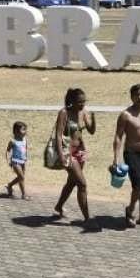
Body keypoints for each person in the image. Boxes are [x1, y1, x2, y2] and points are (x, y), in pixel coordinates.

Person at [112, 84, 140, 228]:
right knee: (139, 184)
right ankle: (130, 209)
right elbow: (118, 137)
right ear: (131, 97)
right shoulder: (126, 115)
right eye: (136, 95)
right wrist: (115, 157)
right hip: (132, 154)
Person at [53, 87, 98, 230]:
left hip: (80, 152)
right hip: (68, 152)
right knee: (82, 184)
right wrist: (61, 155)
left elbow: (91, 131)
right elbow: (58, 135)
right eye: (79, 102)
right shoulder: (64, 113)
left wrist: (93, 119)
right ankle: (87, 218)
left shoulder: (83, 112)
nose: (82, 105)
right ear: (72, 101)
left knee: (72, 182)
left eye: (84, 102)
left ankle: (59, 206)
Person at [5, 120, 30, 199]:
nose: (25, 131)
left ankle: (10, 185)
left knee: (21, 177)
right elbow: (8, 151)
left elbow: (25, 149)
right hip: (15, 161)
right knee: (21, 177)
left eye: (25, 129)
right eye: (23, 129)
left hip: (22, 161)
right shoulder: (13, 141)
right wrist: (9, 160)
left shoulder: (25, 139)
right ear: (16, 131)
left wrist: (26, 157)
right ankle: (24, 194)